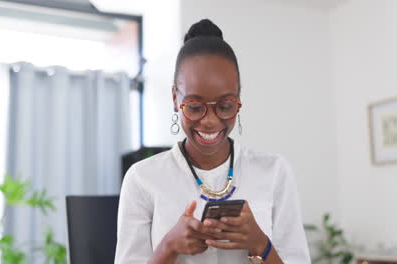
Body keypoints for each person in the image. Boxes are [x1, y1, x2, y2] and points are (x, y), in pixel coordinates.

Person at [115, 19, 310, 264]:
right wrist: (168, 246)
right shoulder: (142, 178)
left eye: (225, 106)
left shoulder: (274, 172)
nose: (209, 121)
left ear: (238, 99)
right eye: (195, 107)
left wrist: (259, 243)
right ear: (175, 98)